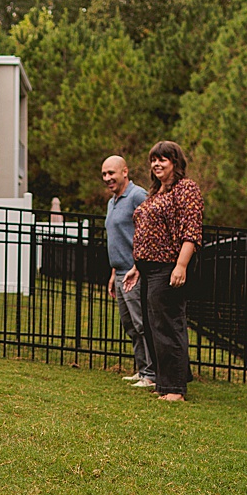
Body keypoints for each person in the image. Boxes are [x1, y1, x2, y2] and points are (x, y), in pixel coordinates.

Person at [123, 141, 203, 402]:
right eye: (153, 160)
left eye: (162, 159)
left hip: (168, 267)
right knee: (153, 327)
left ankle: (175, 389)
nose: (156, 164)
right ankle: (164, 383)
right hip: (148, 269)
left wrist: (181, 265)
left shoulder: (186, 189)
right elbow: (148, 234)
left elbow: (191, 231)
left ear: (175, 162)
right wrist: (137, 267)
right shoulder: (156, 193)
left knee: (168, 326)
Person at [101, 155, 152, 387]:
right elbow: (118, 240)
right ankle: (142, 370)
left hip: (135, 273)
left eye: (111, 173)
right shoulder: (112, 201)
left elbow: (150, 232)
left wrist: (137, 266)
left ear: (125, 172)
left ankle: (152, 374)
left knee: (142, 324)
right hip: (120, 272)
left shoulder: (137, 196)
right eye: (104, 174)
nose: (107, 178)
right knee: (130, 326)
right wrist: (113, 274)